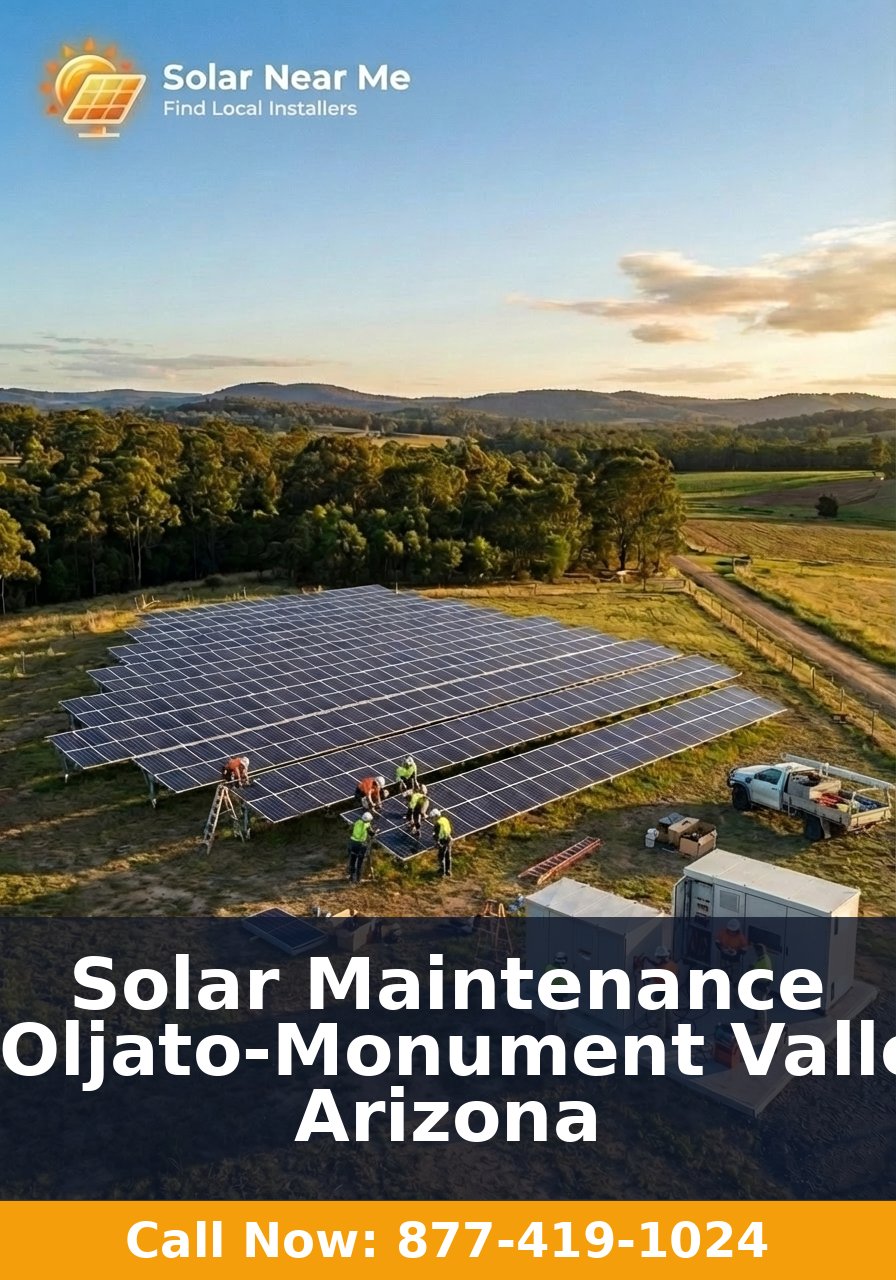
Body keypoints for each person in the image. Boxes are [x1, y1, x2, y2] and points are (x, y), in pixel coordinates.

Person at [347, 812, 374, 884]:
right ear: (368, 820)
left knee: (352, 860)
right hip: (361, 844)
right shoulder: (367, 825)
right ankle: (358, 879)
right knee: (360, 862)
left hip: (352, 843)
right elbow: (371, 833)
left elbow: (351, 830)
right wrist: (375, 832)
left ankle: (351, 877)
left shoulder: (357, 822)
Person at [430, 809, 453, 877]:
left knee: (441, 856)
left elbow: (436, 835)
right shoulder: (444, 819)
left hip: (443, 841)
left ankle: (442, 872)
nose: (432, 819)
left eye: (432, 818)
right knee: (448, 856)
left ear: (436, 816)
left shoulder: (437, 824)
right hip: (449, 839)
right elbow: (449, 828)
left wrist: (437, 843)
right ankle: (448, 871)